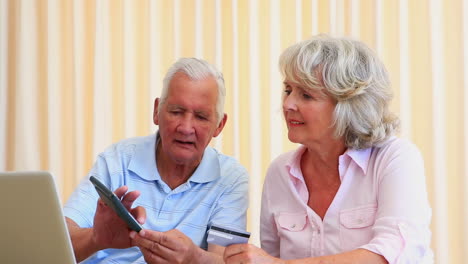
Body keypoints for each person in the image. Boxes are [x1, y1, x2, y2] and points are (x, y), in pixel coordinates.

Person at [224, 35, 433, 264]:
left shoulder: (396, 158)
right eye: (287, 90)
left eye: (306, 95)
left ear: (349, 106)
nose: (287, 104)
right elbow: (270, 256)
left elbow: (394, 254)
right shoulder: (279, 172)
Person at [64, 58, 249, 263]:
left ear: (219, 125)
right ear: (156, 111)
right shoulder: (118, 159)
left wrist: (193, 258)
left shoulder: (231, 177)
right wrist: (96, 239)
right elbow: (56, 243)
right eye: (176, 112)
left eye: (201, 117)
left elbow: (229, 261)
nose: (186, 128)